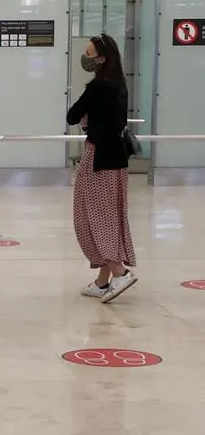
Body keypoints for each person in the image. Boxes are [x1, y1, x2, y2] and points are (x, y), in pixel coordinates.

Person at [66, 33, 137, 303]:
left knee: (93, 217)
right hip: (117, 159)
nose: (86, 59)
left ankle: (119, 272)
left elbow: (72, 115)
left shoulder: (97, 88)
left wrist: (87, 117)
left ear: (102, 58)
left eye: (90, 54)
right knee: (110, 215)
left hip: (98, 158)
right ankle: (102, 281)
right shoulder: (119, 84)